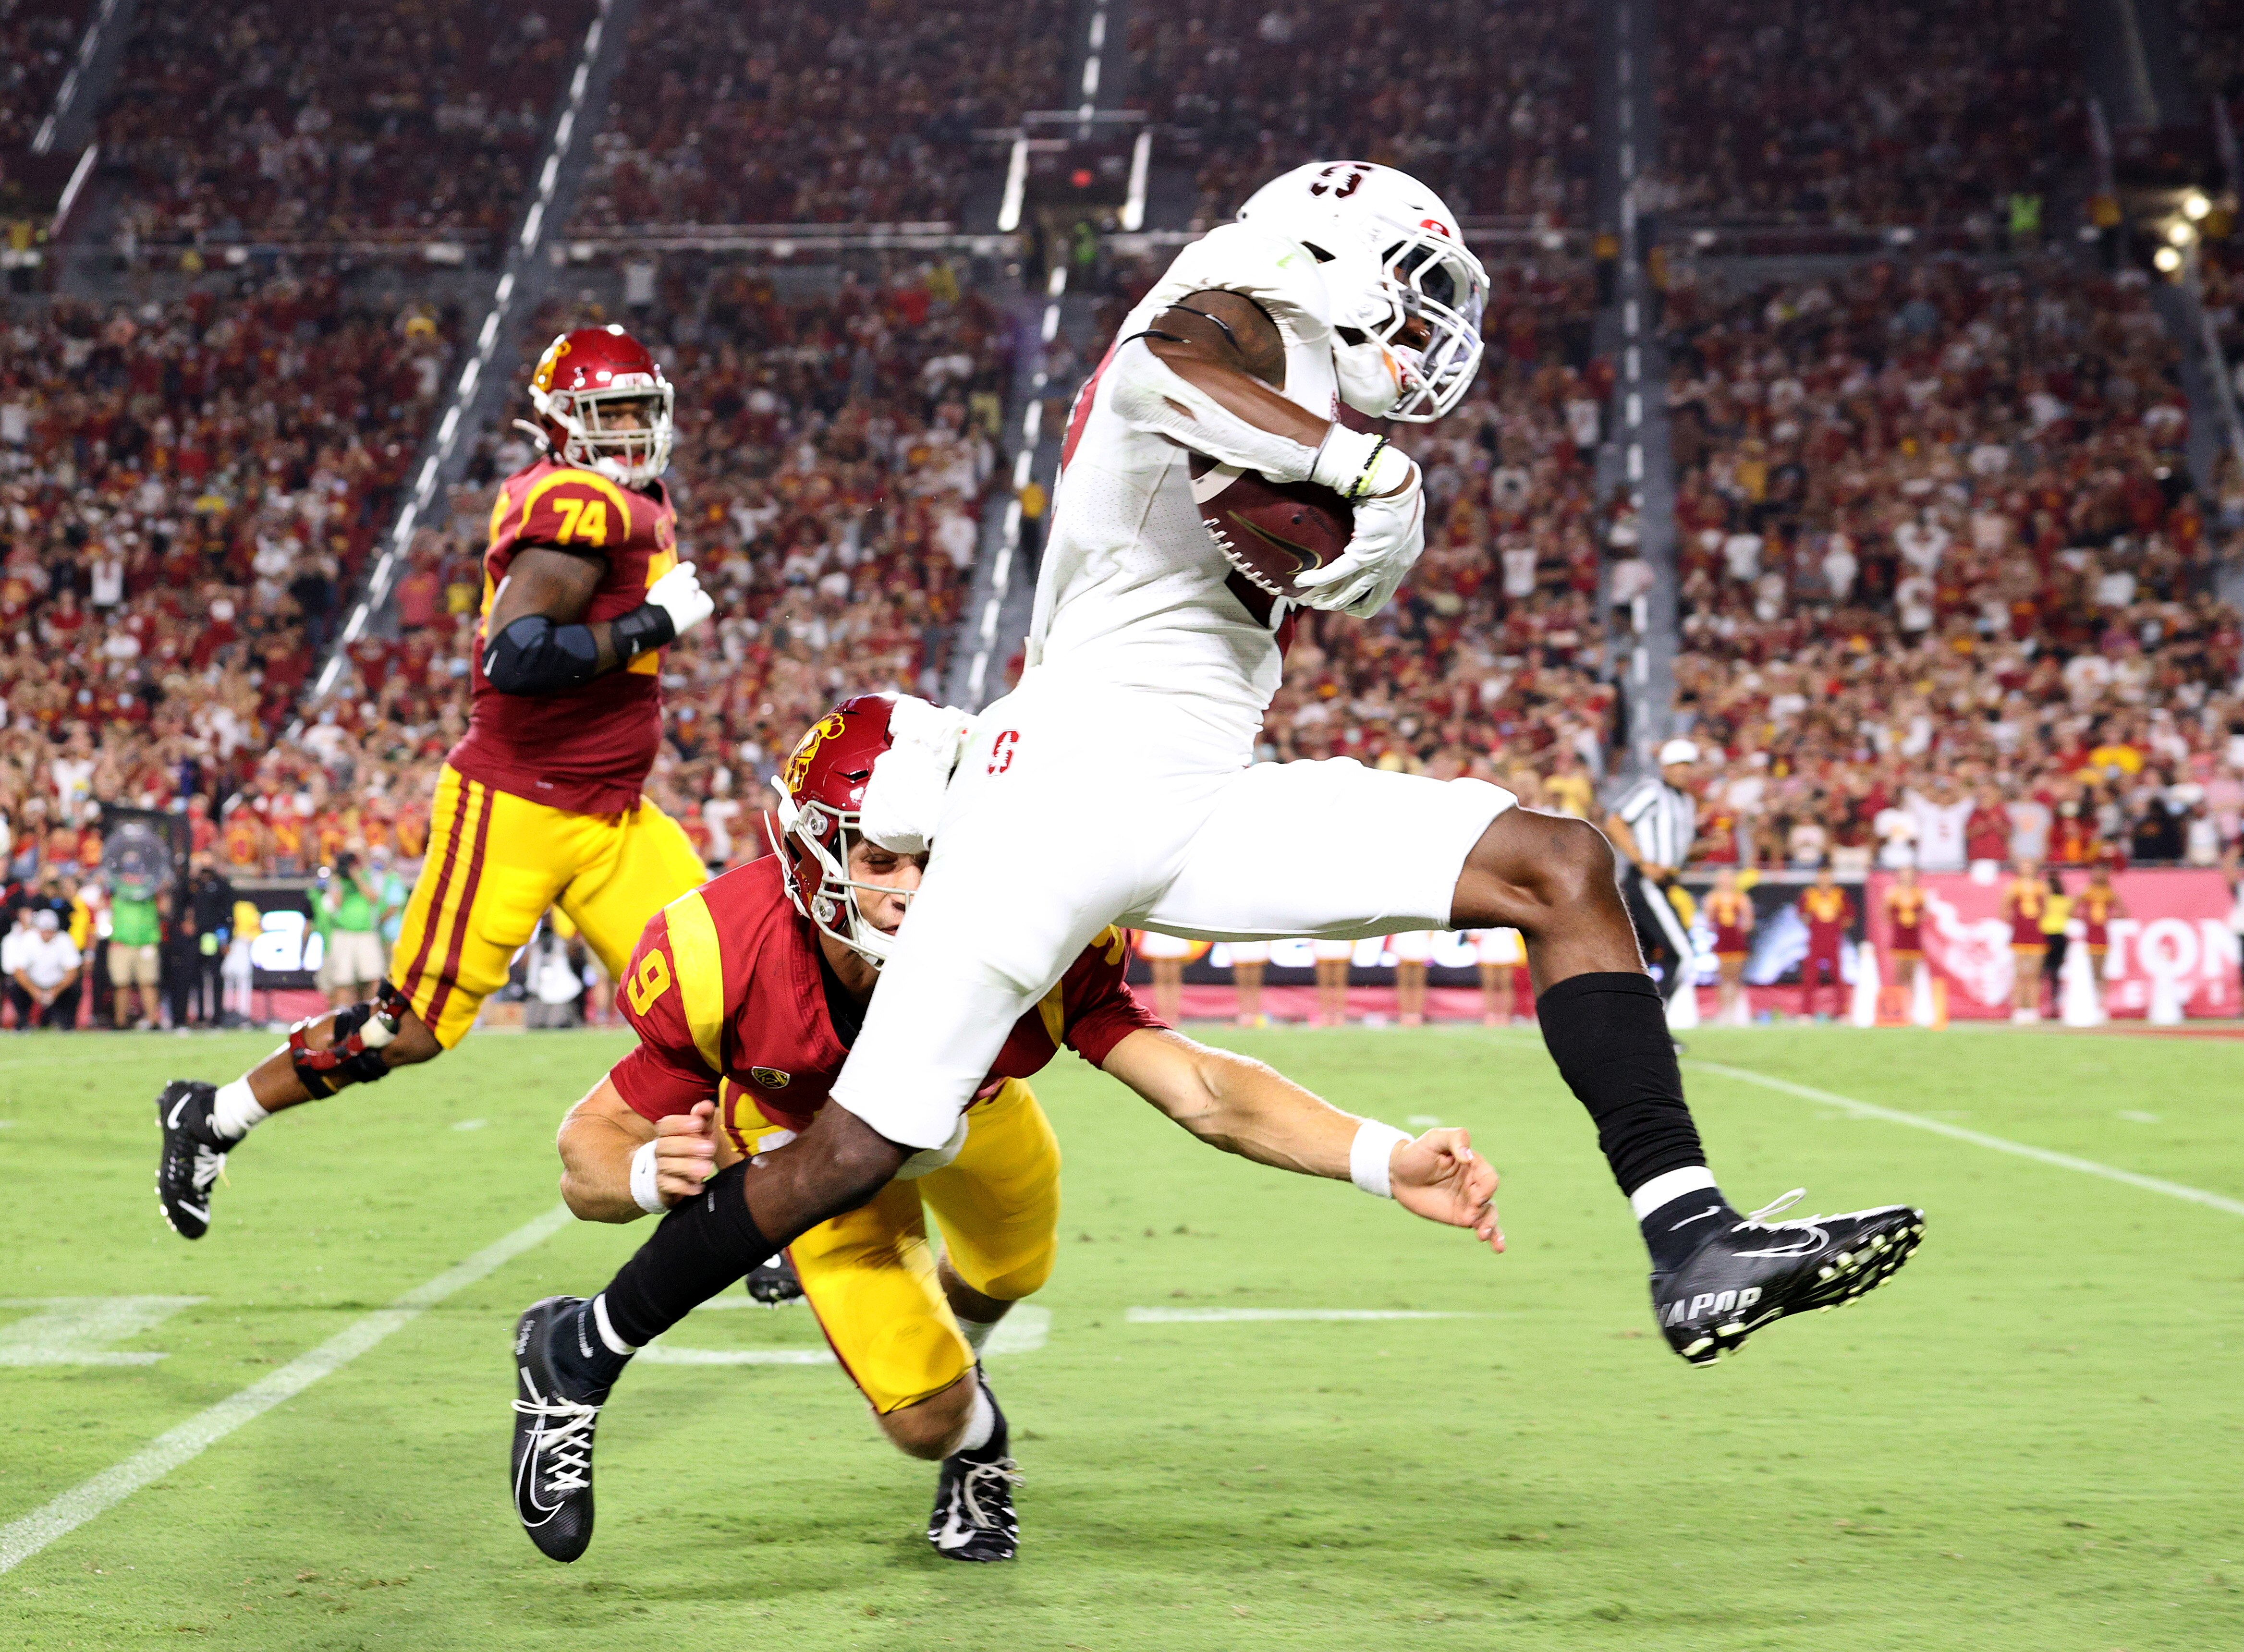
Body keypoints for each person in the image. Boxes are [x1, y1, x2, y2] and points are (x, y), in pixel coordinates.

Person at [514, 163, 1924, 1501]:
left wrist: (1346, 472)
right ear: (1327, 253)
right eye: (1412, 283)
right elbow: (1155, 368)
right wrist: (1367, 475)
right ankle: (579, 1350)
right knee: (848, 1156)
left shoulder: (1280, 359)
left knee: (1559, 865)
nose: (1429, 326)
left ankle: (1689, 1236)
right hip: (1053, 793)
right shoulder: (1228, 307)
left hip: (1200, 790)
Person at [514, 699, 1501, 1564]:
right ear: (813, 852)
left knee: (1011, 1271)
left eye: (932, 860)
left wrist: (1382, 1156)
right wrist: (647, 1174)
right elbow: (584, 1155)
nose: (908, 889)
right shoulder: (711, 948)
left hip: (978, 1121)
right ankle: (977, 1438)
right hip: (801, 1159)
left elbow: (1200, 1085)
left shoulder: (1029, 918)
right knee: (925, 1421)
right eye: (879, 858)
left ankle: (955, 1355)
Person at [155, 325, 718, 1240]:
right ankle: (213, 1115)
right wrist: (650, 623)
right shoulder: (577, 509)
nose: (626, 431)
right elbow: (518, 655)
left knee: (719, 992)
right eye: (606, 413)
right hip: (519, 807)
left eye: (637, 411)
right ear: (561, 425)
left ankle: (749, 1205)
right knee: (409, 1028)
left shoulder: (629, 496)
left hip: (613, 810)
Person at [1605, 739, 1702, 1013]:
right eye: (1678, 765)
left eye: (1688, 765)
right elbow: (1615, 821)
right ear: (1665, 768)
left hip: (1666, 882)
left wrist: (1707, 849)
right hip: (1646, 882)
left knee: (1642, 959)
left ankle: (1632, 1024)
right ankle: (1654, 1024)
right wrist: (1641, 861)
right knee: (1682, 954)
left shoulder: (1686, 802)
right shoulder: (1653, 791)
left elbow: (1676, 850)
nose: (1684, 771)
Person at [314, 850, 387, 1009]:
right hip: (343, 934)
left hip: (366, 934)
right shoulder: (337, 880)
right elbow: (335, 903)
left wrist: (357, 877)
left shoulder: (368, 876)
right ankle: (343, 1016)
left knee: (373, 977)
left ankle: (372, 1013)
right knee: (342, 980)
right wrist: (339, 880)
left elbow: (374, 898)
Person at [106, 873, 166, 1029]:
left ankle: (154, 1022)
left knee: (148, 983)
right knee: (121, 984)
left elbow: (165, 909)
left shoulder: (152, 889)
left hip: (146, 942)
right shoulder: (116, 888)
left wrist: (162, 890)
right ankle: (120, 1022)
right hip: (121, 943)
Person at [8, 908, 82, 1030]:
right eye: (44, 930)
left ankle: (66, 1024)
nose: (47, 933)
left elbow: (72, 971)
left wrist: (56, 991)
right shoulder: (28, 939)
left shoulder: (64, 940)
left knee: (75, 989)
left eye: (50, 930)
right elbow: (18, 970)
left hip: (58, 985)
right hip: (33, 984)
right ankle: (23, 1022)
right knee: (15, 986)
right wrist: (34, 990)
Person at [1795, 866, 1853, 1020]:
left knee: (1838, 976)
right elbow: (1801, 913)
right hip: (1815, 941)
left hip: (1833, 941)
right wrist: (1814, 925)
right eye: (1822, 877)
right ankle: (1806, 1012)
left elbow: (1850, 916)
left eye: (1828, 878)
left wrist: (1836, 927)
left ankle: (1842, 1012)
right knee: (1810, 977)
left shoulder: (1839, 895)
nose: (1825, 881)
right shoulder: (1810, 895)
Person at [2000, 857, 2049, 1024]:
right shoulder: (2014, 887)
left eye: (2030, 864)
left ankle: (2034, 1009)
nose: (2027, 868)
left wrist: (2038, 923)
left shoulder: (2042, 887)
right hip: (2020, 935)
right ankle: (2018, 1009)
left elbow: (2046, 909)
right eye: (2024, 864)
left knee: (2034, 974)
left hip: (2036, 935)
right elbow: (2004, 909)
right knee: (2019, 974)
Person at [1704, 867, 1754, 1026]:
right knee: (1722, 977)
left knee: (1736, 977)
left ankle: (1735, 1011)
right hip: (1722, 941)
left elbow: (1748, 921)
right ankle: (1723, 1011)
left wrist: (1739, 929)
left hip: (1736, 941)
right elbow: (1709, 921)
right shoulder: (1713, 898)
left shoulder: (1741, 898)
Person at [2076, 862, 2125, 1015]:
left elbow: (2123, 911)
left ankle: (2101, 1004)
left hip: (2103, 936)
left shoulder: (2109, 893)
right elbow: (2073, 909)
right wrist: (2083, 916)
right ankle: (2091, 1002)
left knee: (2101, 971)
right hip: (2090, 936)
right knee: (2091, 970)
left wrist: (2112, 916)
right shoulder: (2087, 892)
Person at [1883, 863, 1927, 1004]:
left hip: (1913, 937)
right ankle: (1898, 1005)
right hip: (1900, 937)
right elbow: (1885, 912)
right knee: (1899, 973)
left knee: (1912, 974)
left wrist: (1914, 919)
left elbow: (1925, 913)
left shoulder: (1919, 893)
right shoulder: (1893, 893)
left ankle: (1911, 1006)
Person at [2037, 868, 2073, 1019]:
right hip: (2061, 937)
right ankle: (2054, 1007)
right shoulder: (2066, 901)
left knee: (2040, 973)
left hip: (2047, 936)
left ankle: (2036, 1007)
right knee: (2056, 975)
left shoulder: (2045, 901)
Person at [1473, 926, 1524, 1025]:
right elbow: (1475, 933)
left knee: (1507, 985)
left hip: (1506, 949)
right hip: (1487, 950)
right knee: (1489, 985)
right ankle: (1490, 1015)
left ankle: (1506, 1015)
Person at [1228, 938, 1268, 1027]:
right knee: (1242, 985)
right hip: (1239, 943)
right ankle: (1243, 1015)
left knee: (1255, 985)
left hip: (1257, 942)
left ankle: (1256, 1015)